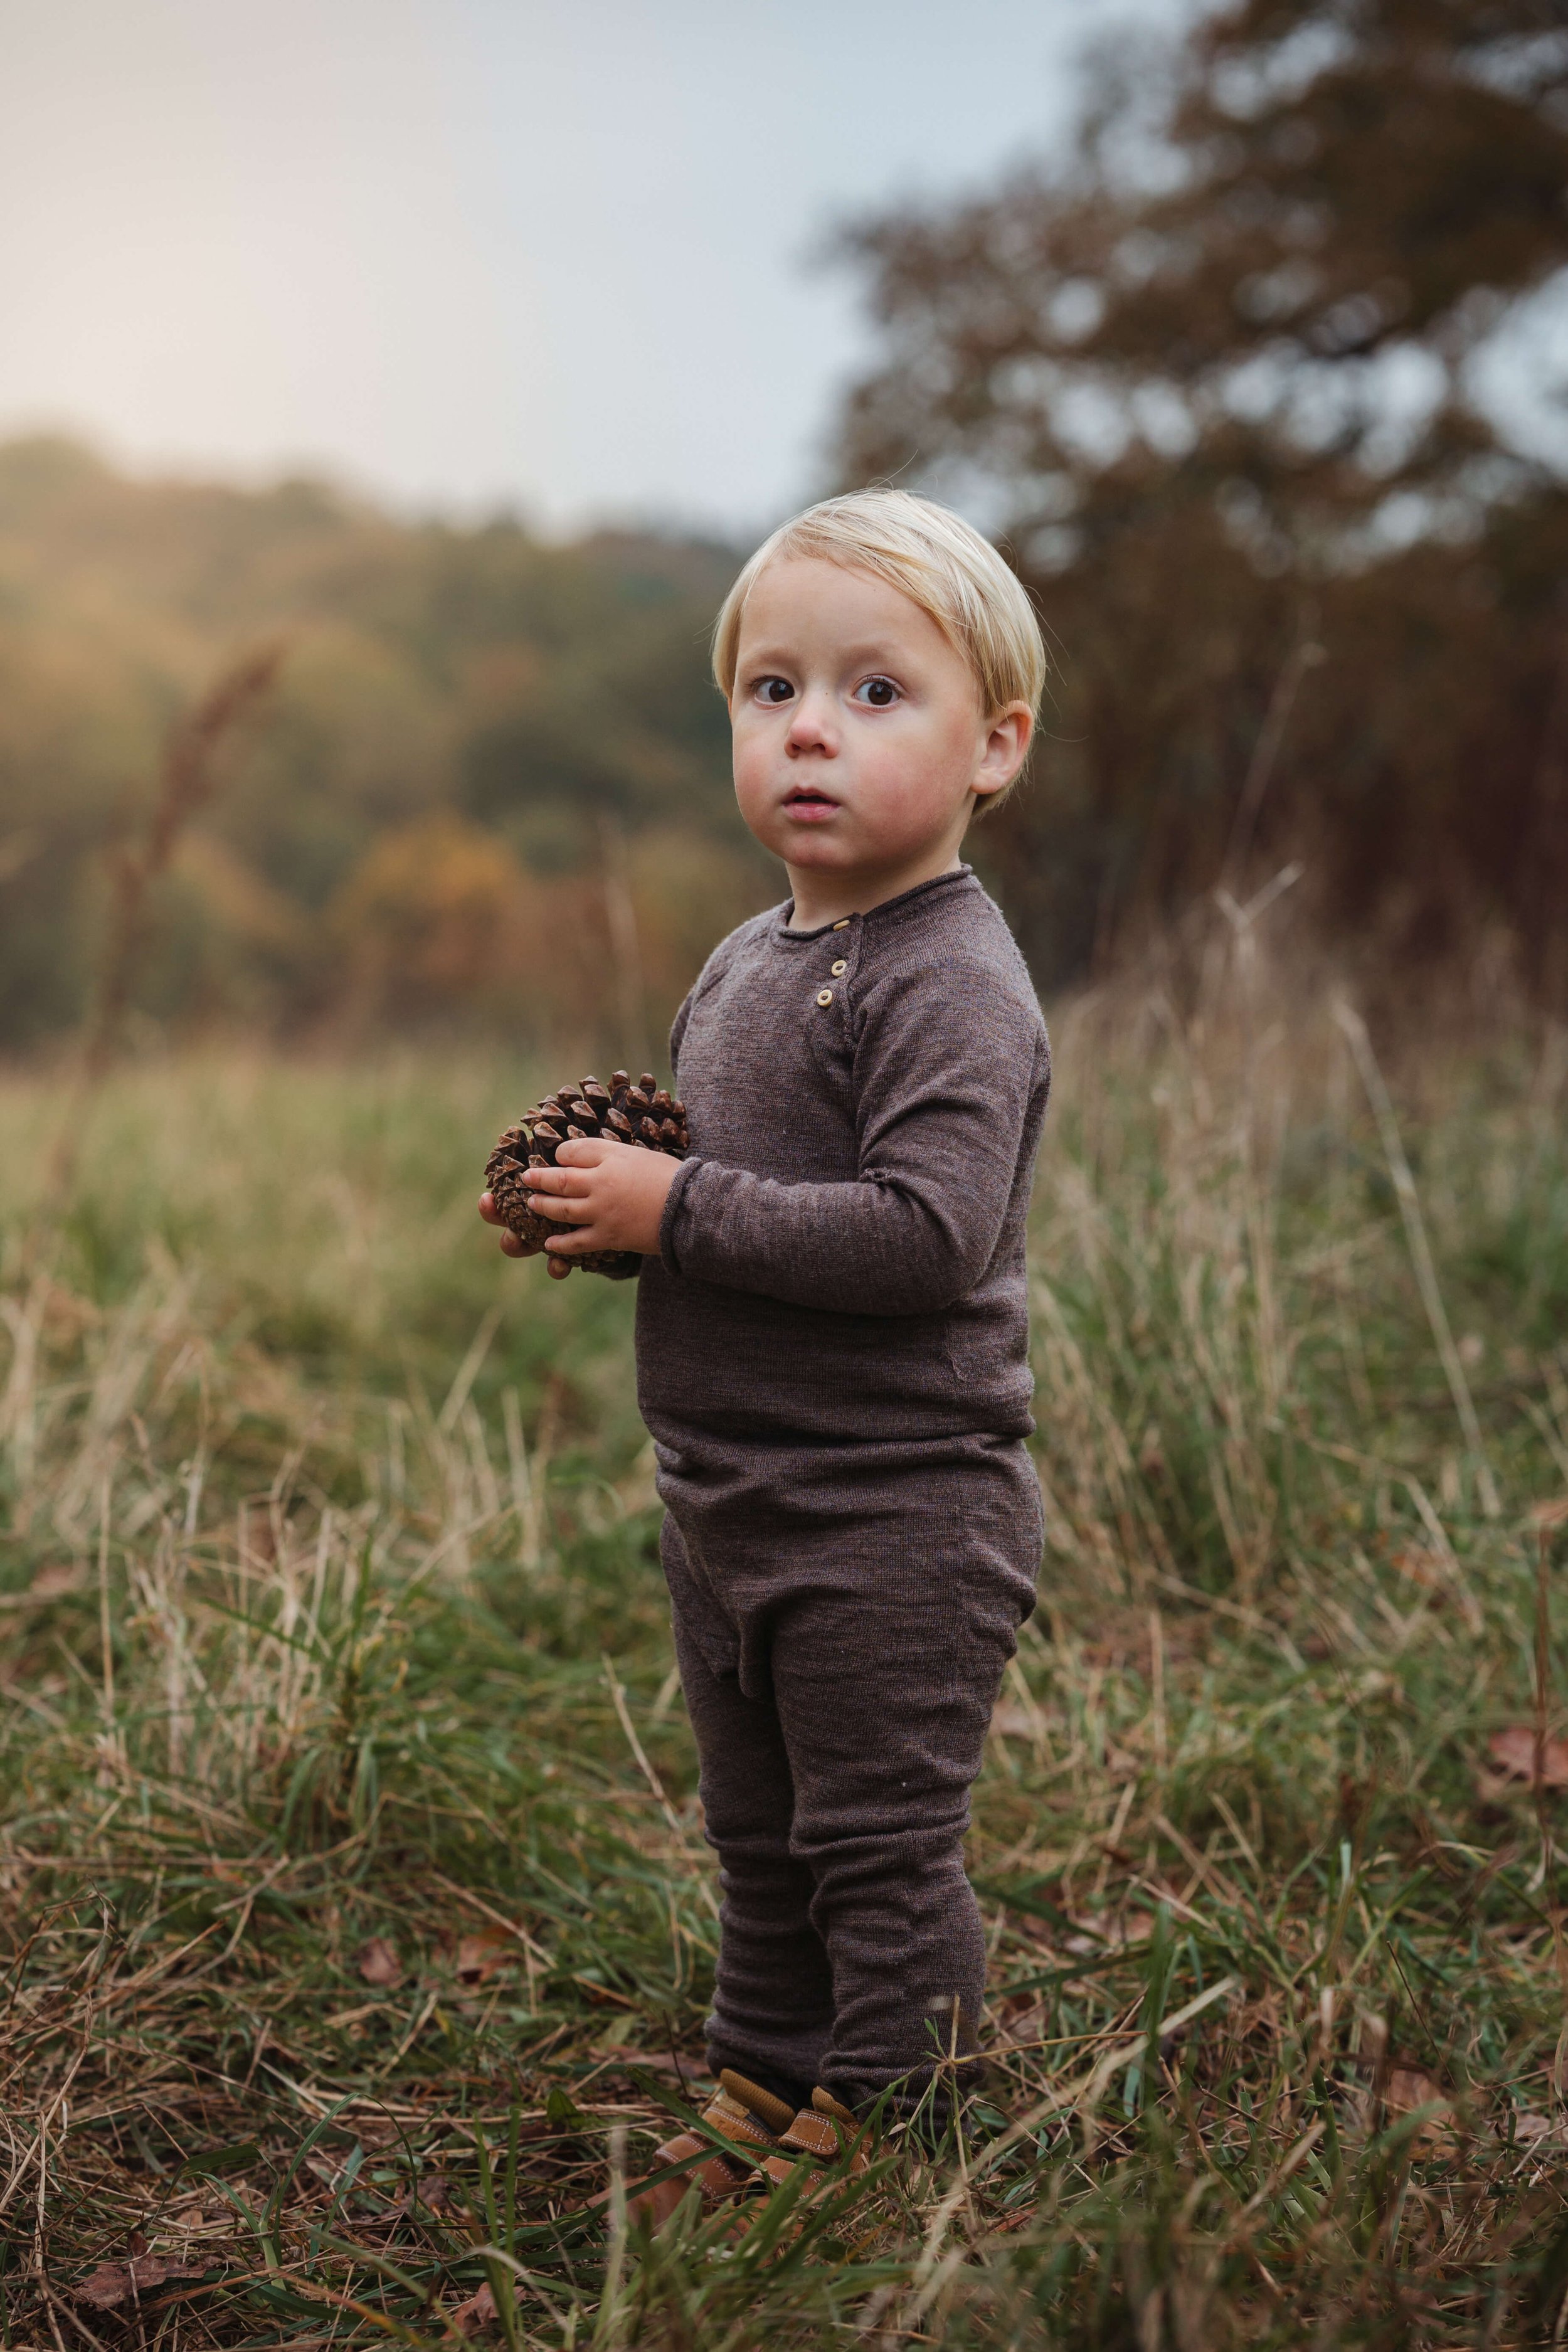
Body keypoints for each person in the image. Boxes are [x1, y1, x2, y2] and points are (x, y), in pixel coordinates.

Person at [479, 489, 1051, 2223]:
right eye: (769, 689)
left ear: (992, 749)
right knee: (759, 1834)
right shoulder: (747, 959)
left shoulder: (951, 982)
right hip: (727, 1499)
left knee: (872, 1843)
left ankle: (892, 2104)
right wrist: (611, 1209)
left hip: (893, 1510)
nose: (809, 726)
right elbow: (728, 1204)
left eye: (877, 693)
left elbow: (922, 1236)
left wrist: (684, 1209)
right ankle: (762, 2072)